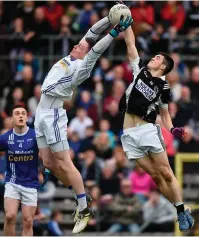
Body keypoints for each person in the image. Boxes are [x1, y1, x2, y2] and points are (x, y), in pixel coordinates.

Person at [34, 13, 133, 234]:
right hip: (40, 111)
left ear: (84, 54)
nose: (77, 46)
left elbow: (96, 48)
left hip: (53, 114)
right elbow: (91, 34)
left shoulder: (82, 66)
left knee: (64, 162)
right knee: (48, 163)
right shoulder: (73, 56)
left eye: (80, 47)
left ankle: (84, 207)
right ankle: (78, 192)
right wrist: (110, 18)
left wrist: (115, 32)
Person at [118, 2, 194, 232]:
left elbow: (164, 115)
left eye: (159, 58)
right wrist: (126, 23)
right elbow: (131, 44)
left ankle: (180, 211)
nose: (155, 57)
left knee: (166, 173)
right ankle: (181, 208)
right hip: (129, 133)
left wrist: (173, 130)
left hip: (147, 130)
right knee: (155, 177)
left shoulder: (164, 87)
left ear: (164, 66)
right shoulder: (139, 70)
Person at [1, 105, 39, 236]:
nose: (21, 115)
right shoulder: (5, 138)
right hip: (12, 182)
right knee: (10, 216)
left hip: (31, 183)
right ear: (11, 119)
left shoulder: (36, 136)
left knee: (28, 221)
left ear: (27, 118)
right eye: (17, 113)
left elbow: (47, 153)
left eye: (23, 113)